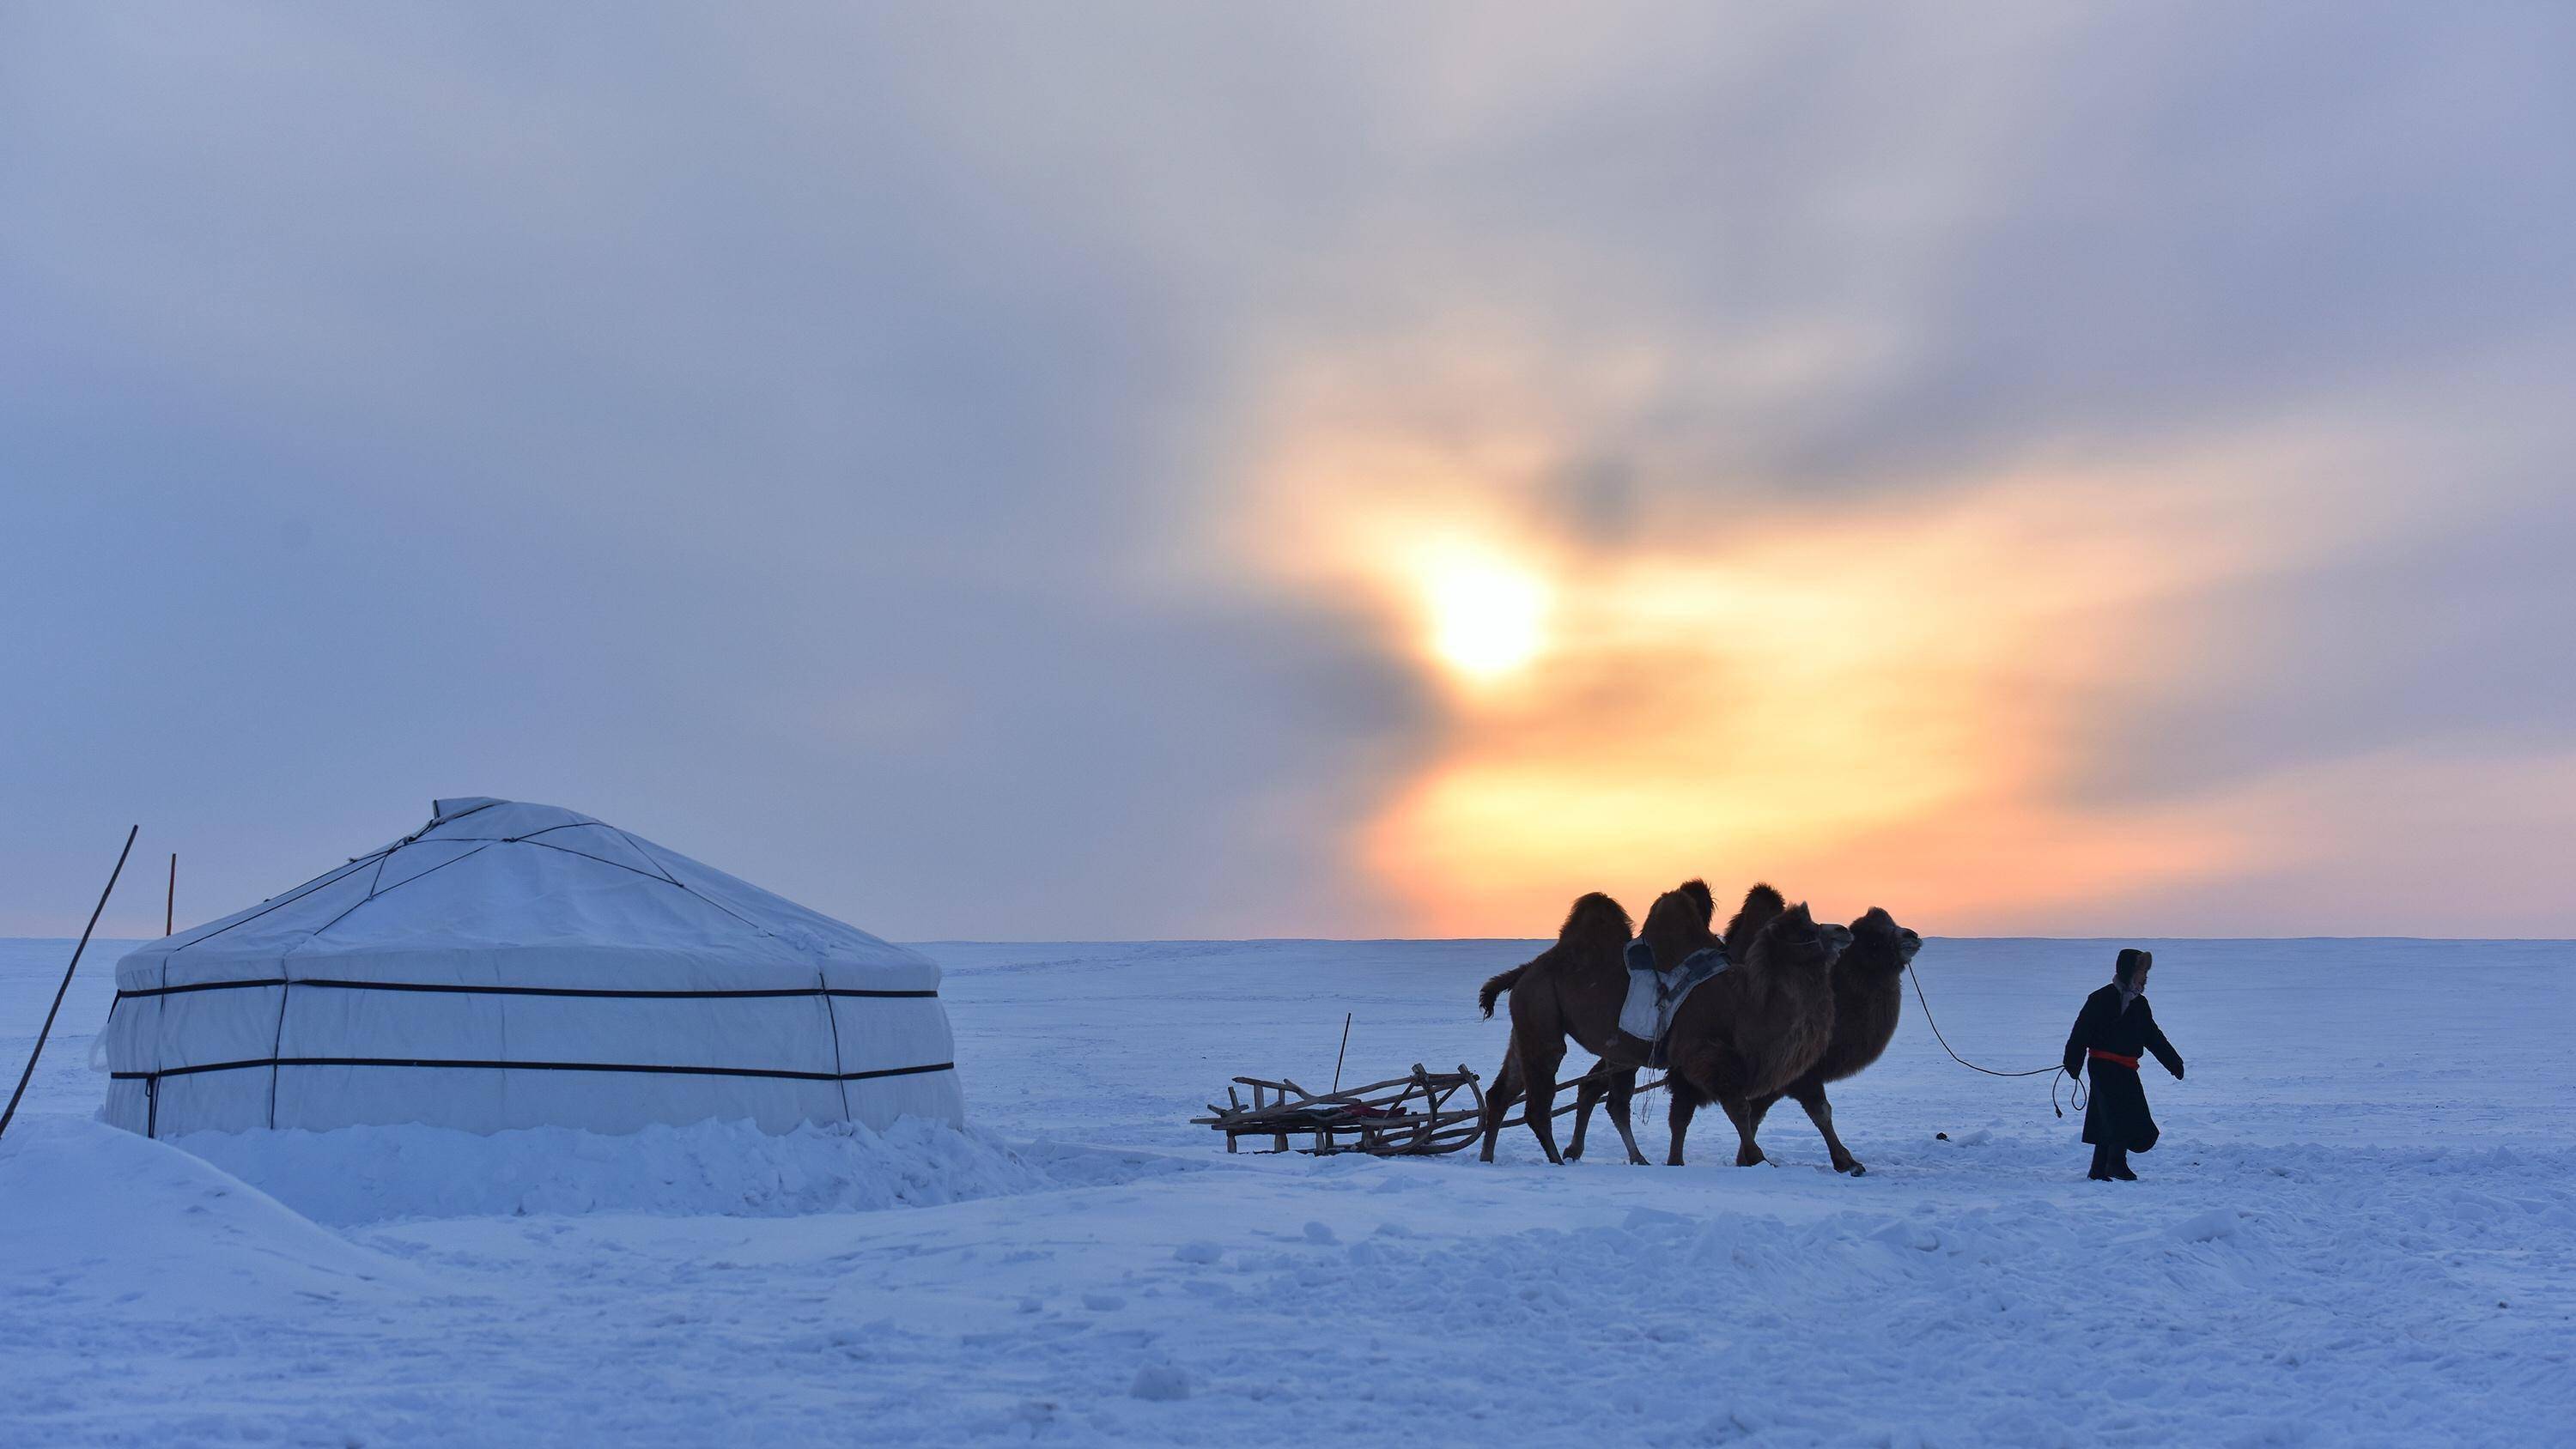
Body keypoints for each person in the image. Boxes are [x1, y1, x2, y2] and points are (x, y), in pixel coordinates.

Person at [2063, 947, 2184, 1181]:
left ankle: (2099, 1168)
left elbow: (2152, 1036)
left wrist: (2173, 1062)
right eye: (2141, 972)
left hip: (2127, 1067)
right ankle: (2115, 1164)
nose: (2145, 978)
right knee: (2117, 1114)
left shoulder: (2140, 1004)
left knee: (2109, 1116)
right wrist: (2072, 1062)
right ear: (2129, 972)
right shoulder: (2100, 998)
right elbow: (2081, 1032)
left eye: (2146, 974)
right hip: (2102, 1065)